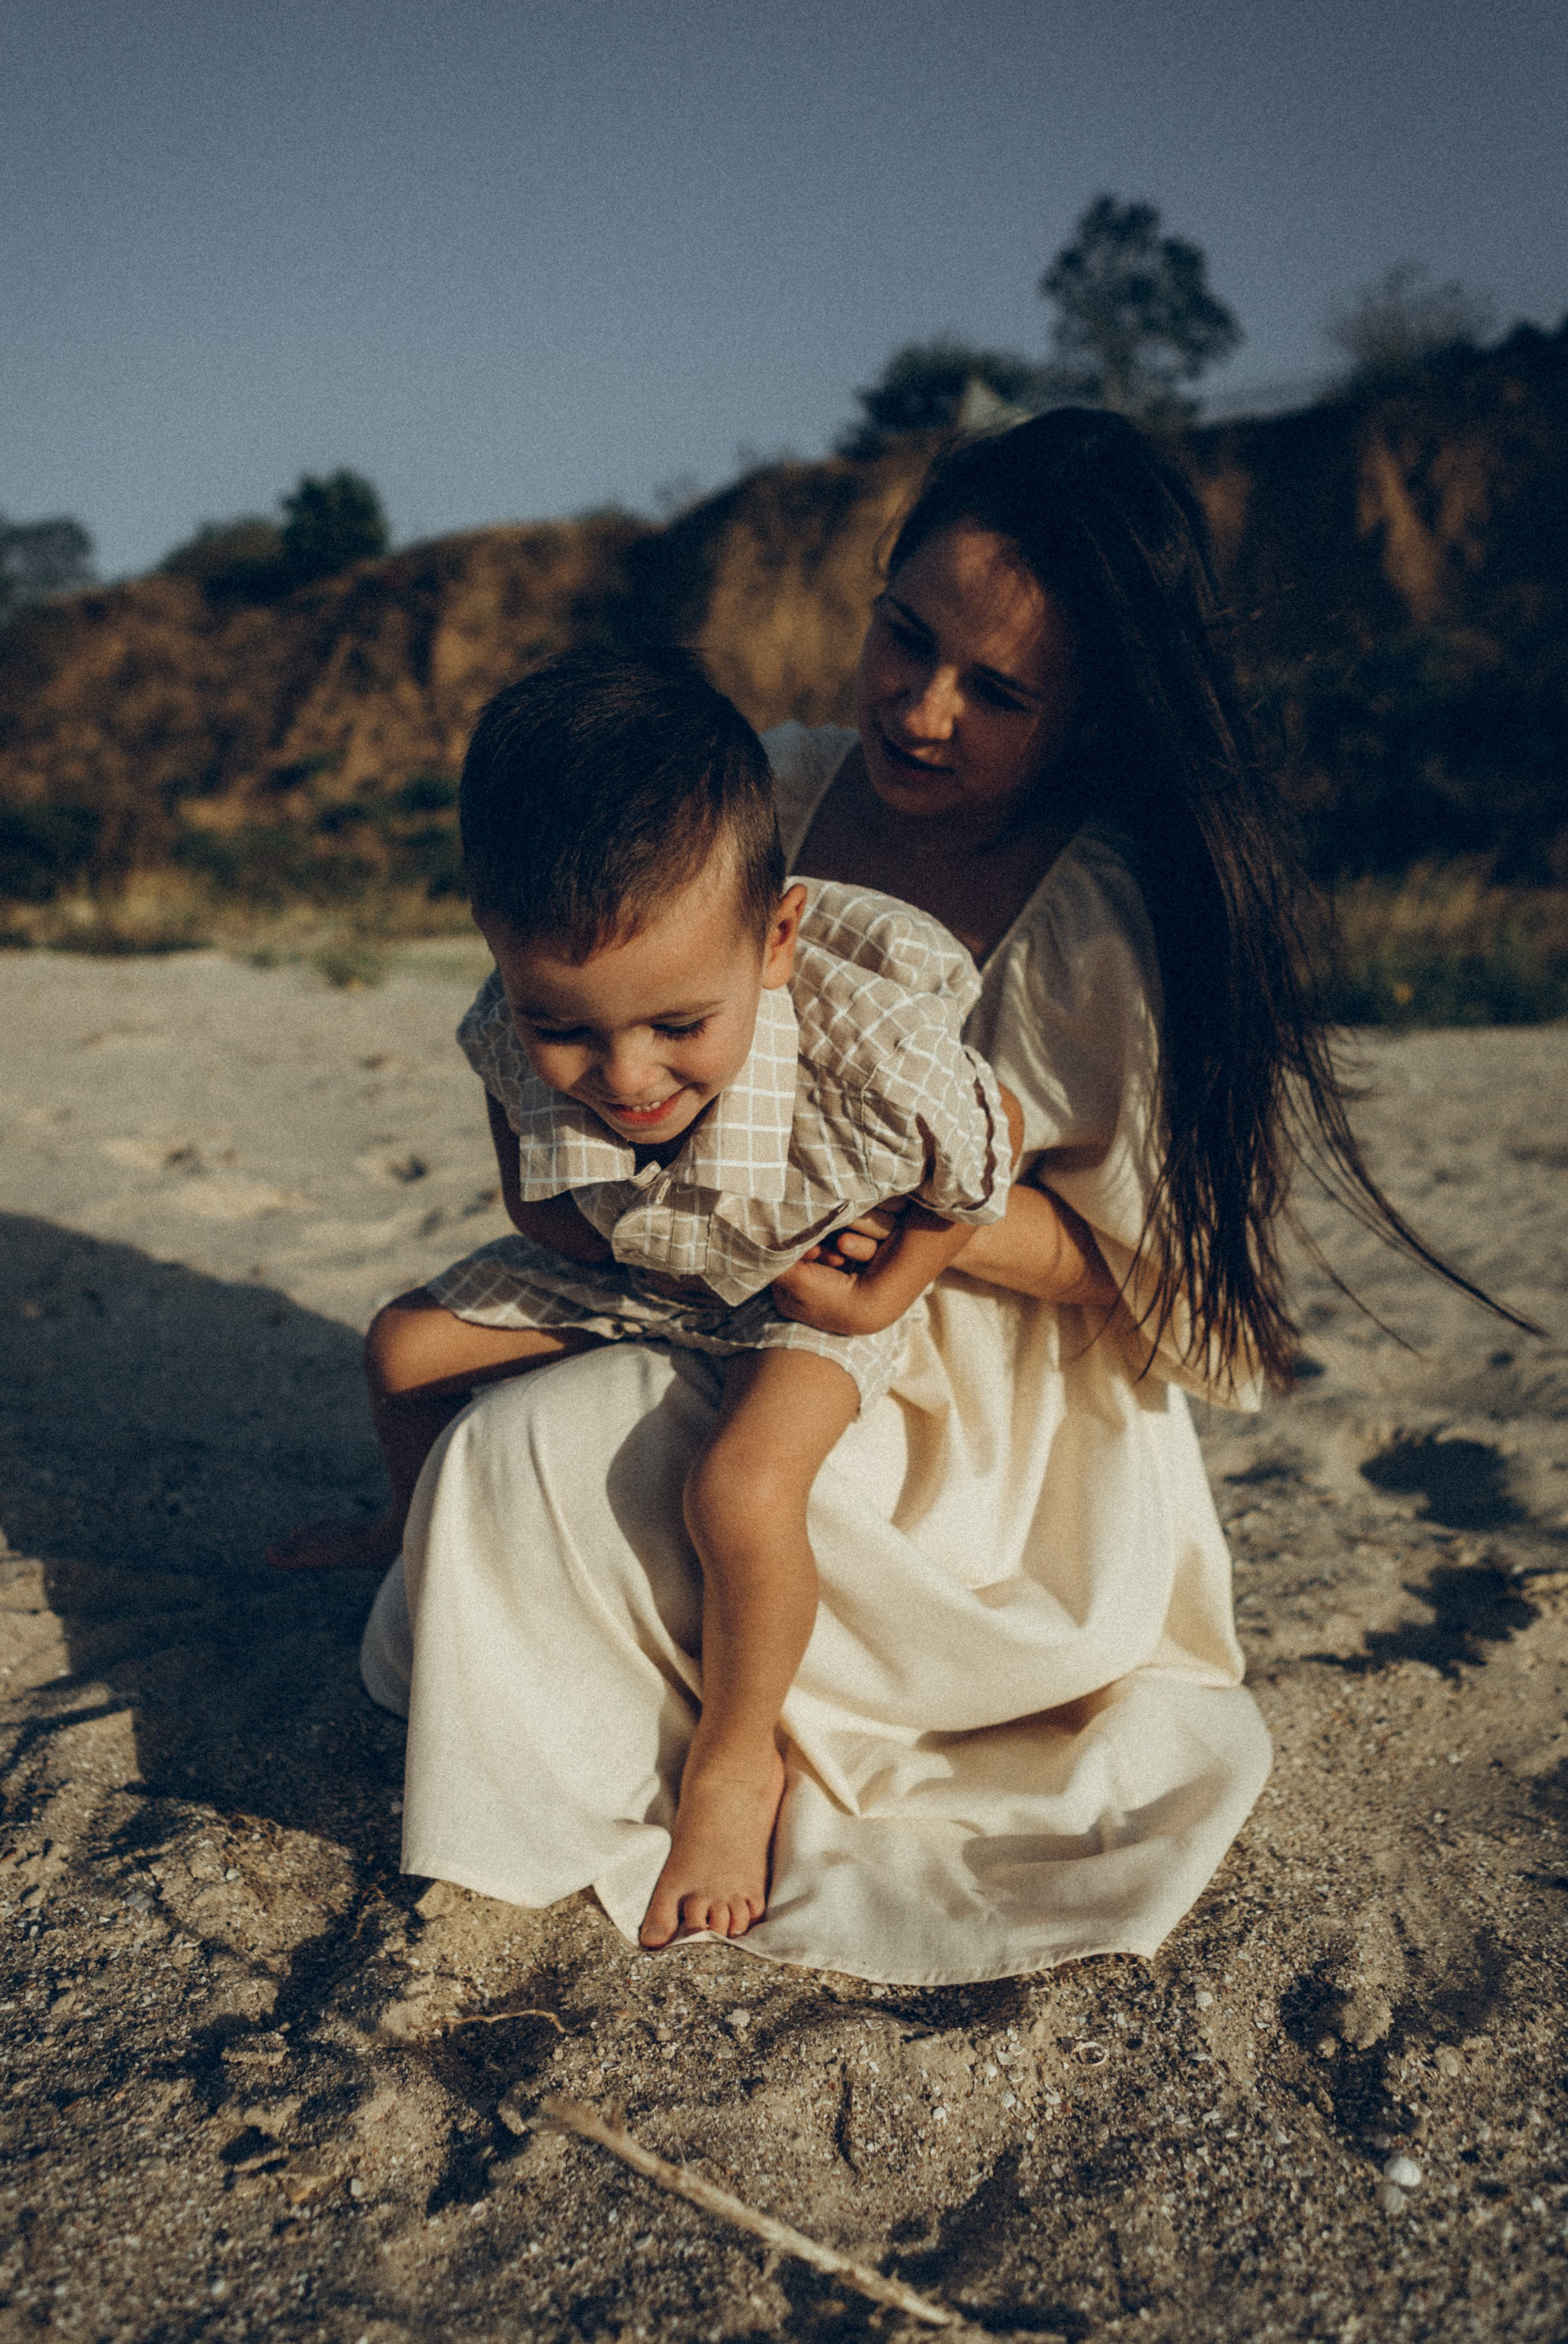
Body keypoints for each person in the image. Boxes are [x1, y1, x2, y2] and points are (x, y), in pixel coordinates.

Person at [360, 409, 1502, 1987]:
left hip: (958, 1389)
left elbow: (1154, 1288)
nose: (922, 706)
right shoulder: (766, 792)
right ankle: (451, 1589)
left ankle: (734, 1757)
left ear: (1088, 709)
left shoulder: (1099, 922)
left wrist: (905, 1240)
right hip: (710, 1277)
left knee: (589, 1460)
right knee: (481, 1428)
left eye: (998, 689)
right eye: (905, 636)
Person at [276, 652, 1111, 1944]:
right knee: (402, 1346)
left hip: (797, 1280)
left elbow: (983, 1158)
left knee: (740, 1489)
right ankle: (406, 1529)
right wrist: (593, 1236)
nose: (624, 1074)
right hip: (640, 1261)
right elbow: (534, 1196)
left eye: (676, 1023)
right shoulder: (516, 1018)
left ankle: (736, 1758)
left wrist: (878, 1292)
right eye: (572, 1030)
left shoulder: (875, 1045)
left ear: (774, 941)